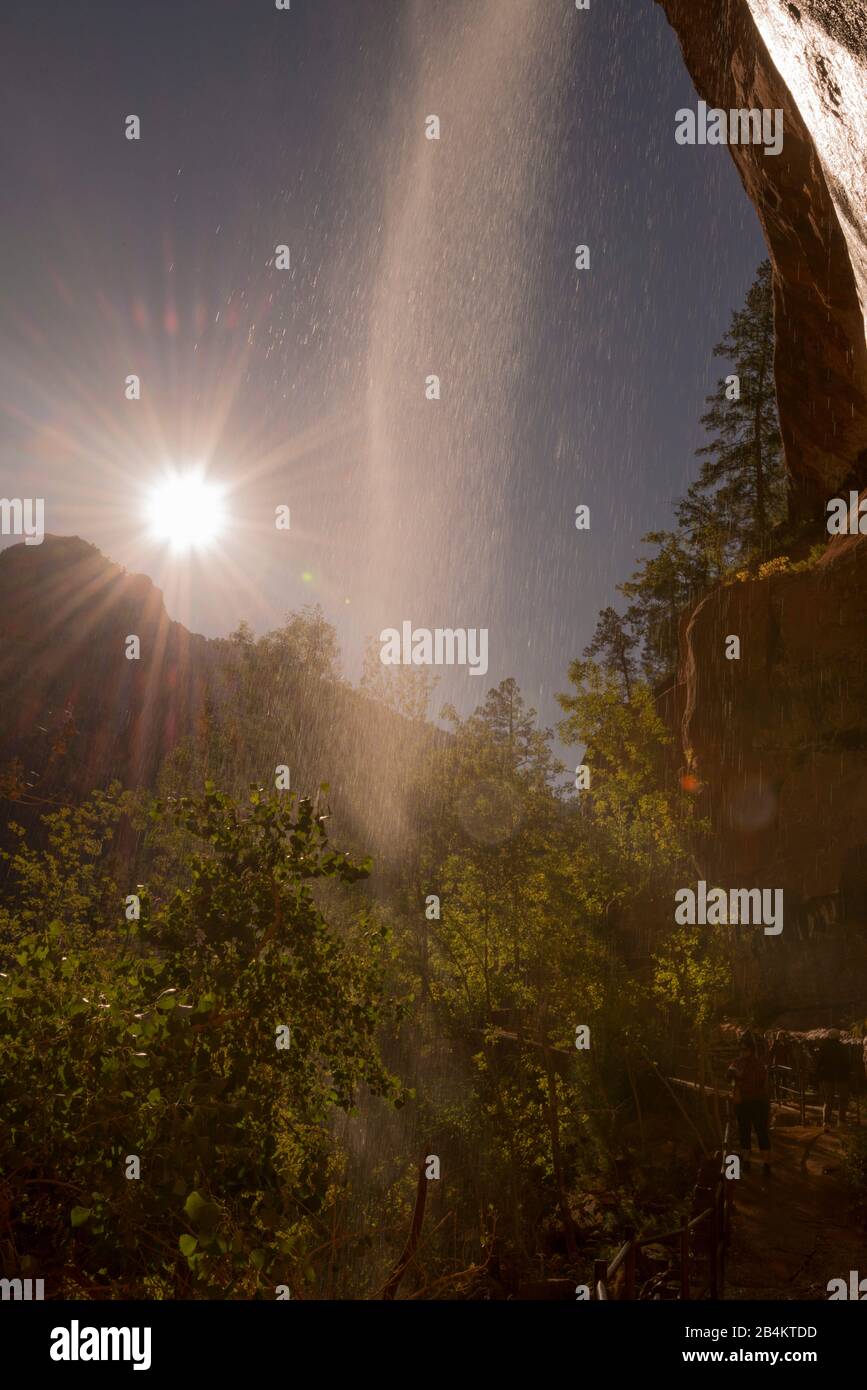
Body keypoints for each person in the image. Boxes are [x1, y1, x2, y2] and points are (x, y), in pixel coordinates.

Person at [728, 1032, 772, 1176]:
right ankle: (748, 1162)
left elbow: (759, 1083)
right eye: (741, 1049)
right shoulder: (738, 1062)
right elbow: (729, 1075)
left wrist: (740, 1077)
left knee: (759, 1132)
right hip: (747, 1102)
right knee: (745, 1131)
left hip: (755, 1102)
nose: (742, 1052)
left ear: (751, 1050)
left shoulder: (757, 1065)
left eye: (744, 1049)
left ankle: (765, 1163)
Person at [815, 1029, 850, 1130]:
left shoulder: (823, 1047)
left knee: (828, 1099)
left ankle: (826, 1122)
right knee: (843, 1099)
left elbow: (819, 1062)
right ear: (838, 1036)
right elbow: (847, 1062)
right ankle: (841, 1121)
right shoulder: (842, 1047)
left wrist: (818, 1076)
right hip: (841, 1076)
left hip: (826, 1076)